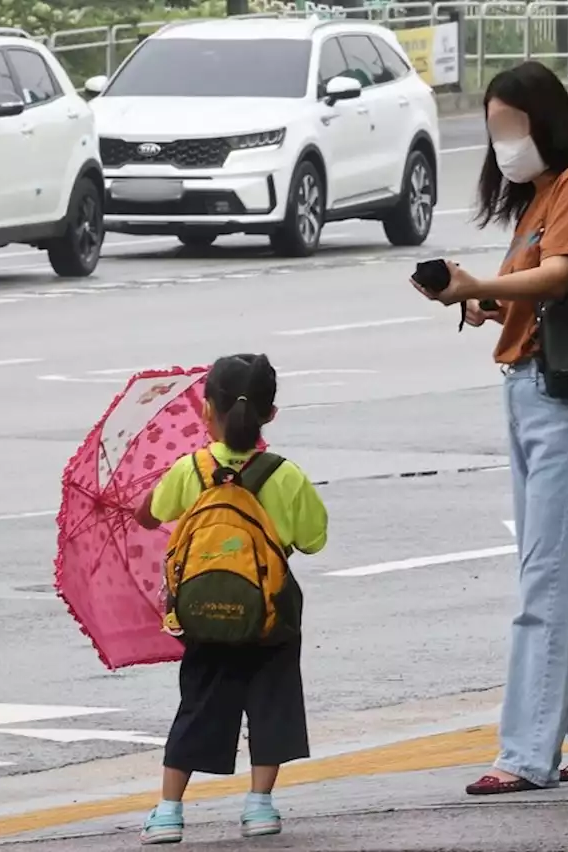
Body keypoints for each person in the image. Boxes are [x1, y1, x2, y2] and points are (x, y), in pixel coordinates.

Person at [410, 60, 568, 795]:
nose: (502, 140)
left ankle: (523, 754)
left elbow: (562, 273)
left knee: (548, 582)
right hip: (531, 395)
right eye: (493, 129)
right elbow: (537, 291)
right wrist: (482, 302)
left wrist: (483, 283)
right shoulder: (538, 196)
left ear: (544, 120)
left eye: (510, 125)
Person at [133, 354, 328, 844]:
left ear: (206, 411)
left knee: (198, 703)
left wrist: (147, 506)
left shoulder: (190, 469)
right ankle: (259, 805)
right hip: (270, 614)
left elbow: (150, 516)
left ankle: (168, 811)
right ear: (271, 414)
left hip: (203, 613)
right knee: (272, 701)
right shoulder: (285, 475)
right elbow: (313, 539)